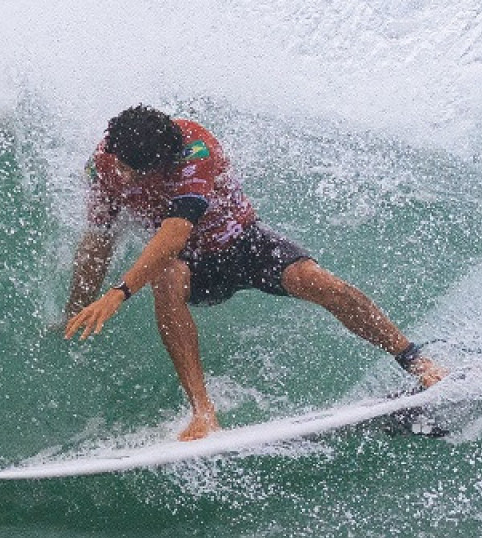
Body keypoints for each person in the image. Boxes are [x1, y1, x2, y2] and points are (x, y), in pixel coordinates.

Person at [61, 105, 447, 440]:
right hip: (192, 269)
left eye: (133, 172)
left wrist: (119, 292)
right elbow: (98, 239)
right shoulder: (105, 165)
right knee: (167, 276)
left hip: (243, 243)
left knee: (319, 282)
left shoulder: (195, 149)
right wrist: (77, 309)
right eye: (120, 166)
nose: (122, 176)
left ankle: (416, 360)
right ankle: (203, 412)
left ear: (161, 163)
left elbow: (175, 233)